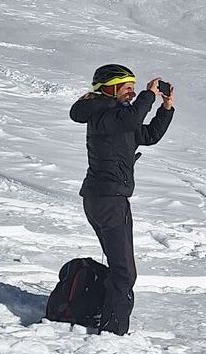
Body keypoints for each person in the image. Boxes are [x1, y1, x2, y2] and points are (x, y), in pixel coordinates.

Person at [69, 65, 175, 336]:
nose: (132, 92)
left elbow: (147, 135)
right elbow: (131, 119)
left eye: (134, 87)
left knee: (123, 269)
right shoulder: (104, 114)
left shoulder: (116, 116)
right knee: (124, 271)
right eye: (127, 87)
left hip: (108, 199)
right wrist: (148, 96)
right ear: (110, 88)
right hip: (108, 201)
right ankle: (113, 332)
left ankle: (103, 314)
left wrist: (165, 108)